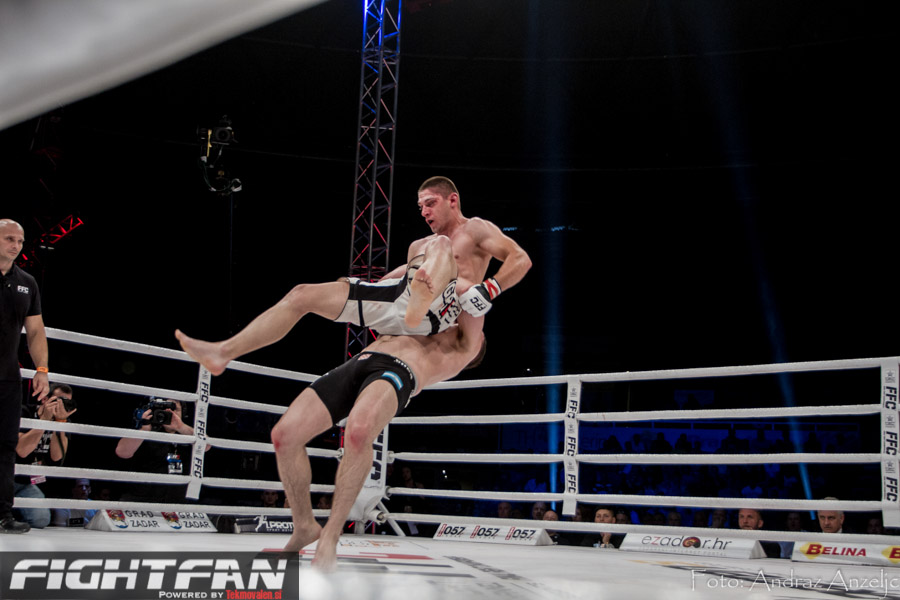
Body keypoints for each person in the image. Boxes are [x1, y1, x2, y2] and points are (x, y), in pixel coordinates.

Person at [174, 176, 531, 376]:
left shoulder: (476, 229)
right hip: (406, 302)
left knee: (439, 247)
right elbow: (396, 277)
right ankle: (224, 352)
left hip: (447, 310)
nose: (423, 211)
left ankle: (417, 307)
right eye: (419, 206)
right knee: (302, 294)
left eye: (430, 203)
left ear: (452, 200)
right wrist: (356, 292)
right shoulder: (418, 244)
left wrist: (491, 288)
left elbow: (521, 259)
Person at [271, 311, 486, 571]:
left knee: (359, 432)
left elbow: (473, 302)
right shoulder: (430, 320)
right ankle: (304, 525)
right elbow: (390, 299)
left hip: (399, 369)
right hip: (361, 361)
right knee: (284, 436)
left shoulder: (467, 345)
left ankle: (331, 534)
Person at [1, 219, 49, 534]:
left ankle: (2, 514)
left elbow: (35, 331)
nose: (16, 246)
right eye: (9, 239)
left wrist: (41, 369)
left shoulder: (27, 282)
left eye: (19, 241)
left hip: (7, 377)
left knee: (6, 445)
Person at [14, 383, 76, 528]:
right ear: (44, 399)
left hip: (26, 483)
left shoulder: (63, 421)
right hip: (6, 478)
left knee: (41, 519)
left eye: (67, 402)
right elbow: (22, 450)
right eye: (59, 400)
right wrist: (43, 422)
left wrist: (59, 424)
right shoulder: (24, 412)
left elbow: (57, 457)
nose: (62, 406)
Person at [114, 399, 197, 503]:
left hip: (175, 503)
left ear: (183, 413)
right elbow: (122, 452)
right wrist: (144, 430)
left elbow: (206, 446)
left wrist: (181, 427)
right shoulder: (146, 431)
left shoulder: (189, 436)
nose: (170, 412)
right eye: (165, 408)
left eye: (174, 409)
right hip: (140, 501)